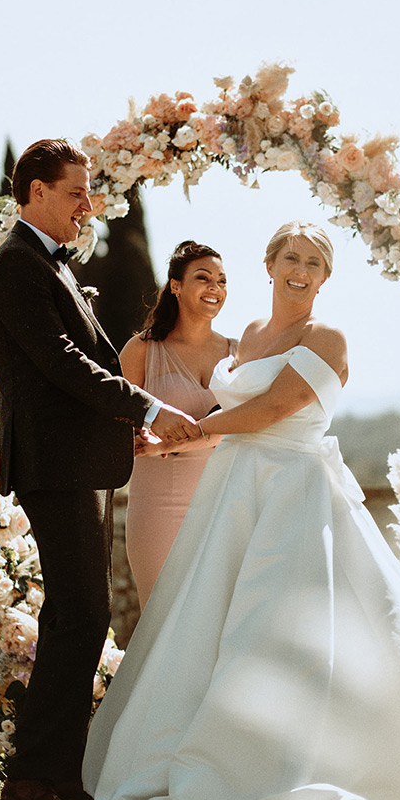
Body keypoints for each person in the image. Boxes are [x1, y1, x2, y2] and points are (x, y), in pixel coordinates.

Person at [82, 221, 400, 800]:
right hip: (230, 493)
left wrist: (195, 433)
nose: (300, 270)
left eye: (313, 262)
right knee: (209, 623)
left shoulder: (327, 337)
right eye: (291, 257)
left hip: (294, 494)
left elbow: (274, 408)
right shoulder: (249, 334)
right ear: (270, 263)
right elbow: (219, 407)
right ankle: (191, 746)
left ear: (326, 276)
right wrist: (162, 445)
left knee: (275, 620)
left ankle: (281, 757)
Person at [0, 139, 199, 800]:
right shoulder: (17, 265)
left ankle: (52, 774)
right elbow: (60, 361)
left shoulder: (47, 265)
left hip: (76, 460)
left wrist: (120, 425)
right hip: (55, 467)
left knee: (81, 614)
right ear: (35, 191)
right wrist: (147, 405)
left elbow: (74, 369)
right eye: (75, 192)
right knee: (81, 616)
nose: (87, 206)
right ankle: (37, 780)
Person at [120, 240, 237, 610]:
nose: (214, 288)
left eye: (221, 280)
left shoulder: (241, 352)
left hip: (226, 505)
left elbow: (242, 426)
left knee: (218, 618)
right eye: (203, 278)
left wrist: (167, 443)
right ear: (176, 286)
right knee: (160, 618)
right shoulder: (142, 350)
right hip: (159, 505)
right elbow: (112, 417)